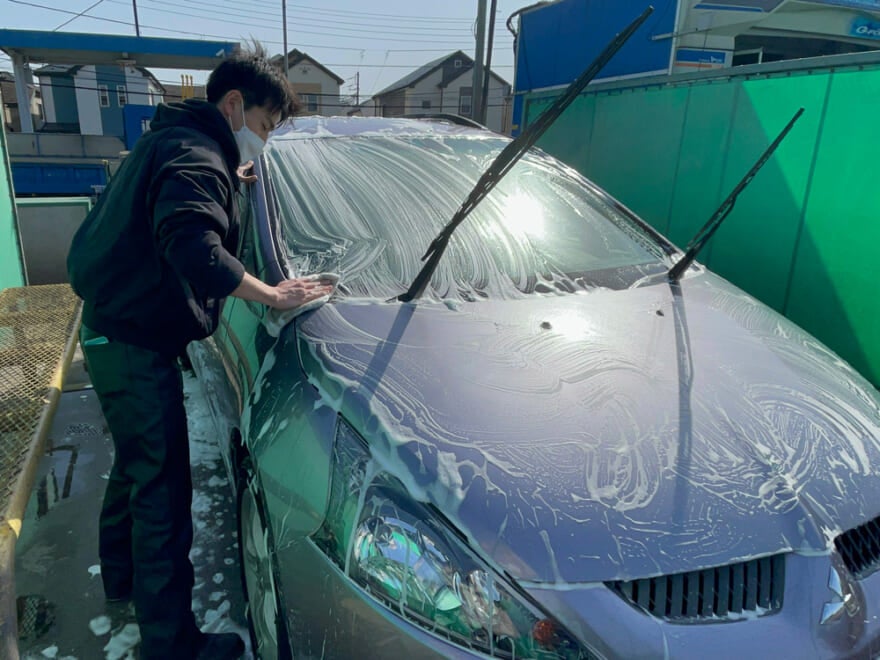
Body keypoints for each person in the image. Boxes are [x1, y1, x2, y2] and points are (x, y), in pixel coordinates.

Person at [67, 44, 332, 660]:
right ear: (234, 106)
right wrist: (269, 292)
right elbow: (194, 247)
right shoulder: (197, 153)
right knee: (161, 490)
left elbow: (186, 215)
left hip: (113, 329)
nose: (263, 141)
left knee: (138, 466)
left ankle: (123, 578)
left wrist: (231, 184)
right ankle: (173, 645)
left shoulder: (181, 142)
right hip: (132, 341)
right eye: (265, 127)